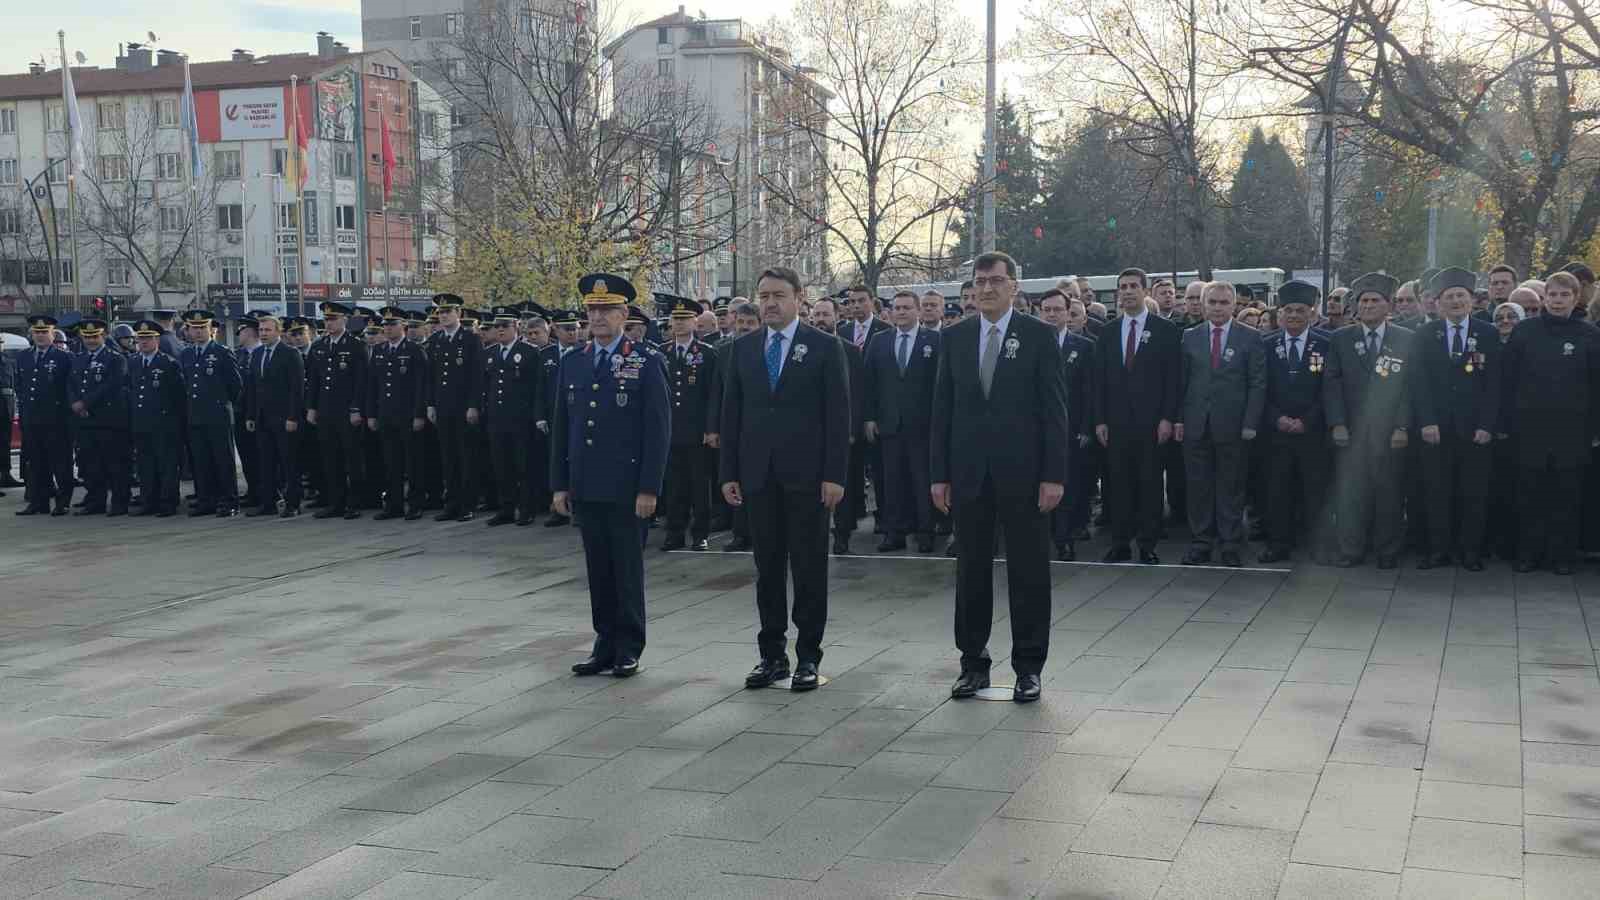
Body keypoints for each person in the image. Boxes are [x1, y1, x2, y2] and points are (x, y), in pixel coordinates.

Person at [931, 251, 1066, 703]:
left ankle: (1029, 666)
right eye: (980, 281)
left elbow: (1054, 413)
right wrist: (939, 475)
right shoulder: (955, 338)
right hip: (968, 474)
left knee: (1028, 572)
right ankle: (973, 663)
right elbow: (942, 411)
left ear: (1014, 287)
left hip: (1025, 475)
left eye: (996, 281)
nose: (986, 288)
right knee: (971, 570)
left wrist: (1053, 475)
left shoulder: (1038, 336)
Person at [720, 267, 850, 691]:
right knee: (767, 570)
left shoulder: (825, 347)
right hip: (759, 476)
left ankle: (808, 657)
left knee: (809, 569)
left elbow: (838, 417)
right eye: (763, 296)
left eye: (778, 295)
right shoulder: (742, 348)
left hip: (808, 478)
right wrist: (729, 473)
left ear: (799, 298)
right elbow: (732, 415)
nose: (769, 303)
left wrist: (835, 475)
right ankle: (771, 655)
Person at [553, 274, 670, 678]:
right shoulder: (574, 361)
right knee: (598, 569)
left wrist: (649, 488)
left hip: (626, 488)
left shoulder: (646, 360)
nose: (598, 317)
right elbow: (563, 427)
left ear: (624, 314)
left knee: (626, 568)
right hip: (586, 484)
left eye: (606, 310)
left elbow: (657, 432)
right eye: (592, 310)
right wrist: (560, 483)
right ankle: (603, 643)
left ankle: (629, 646)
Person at [1502, 271, 1599, 573]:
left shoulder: (1589, 335)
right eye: (1553, 295)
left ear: (1575, 298)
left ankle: (1561, 557)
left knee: (1566, 496)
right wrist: (1507, 423)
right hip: (1530, 429)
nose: (1558, 301)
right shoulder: (1525, 332)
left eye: (1564, 295)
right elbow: (1508, 380)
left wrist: (1595, 429)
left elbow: (1597, 385)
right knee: (1529, 493)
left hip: (1572, 431)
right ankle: (1528, 554)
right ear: (1544, 298)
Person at [1405, 266, 1501, 571]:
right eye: (1450, 296)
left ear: (1471, 300)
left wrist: (1487, 424)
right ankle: (1438, 550)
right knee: (1436, 491)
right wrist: (1426, 421)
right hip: (1436, 429)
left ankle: (1470, 551)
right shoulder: (1424, 334)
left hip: (1475, 430)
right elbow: (1417, 382)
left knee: (1473, 493)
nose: (1456, 301)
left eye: (1461, 295)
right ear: (1438, 302)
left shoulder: (1488, 334)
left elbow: (1495, 384)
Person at [1324, 273, 1414, 568]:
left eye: (1376, 301)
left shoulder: (1405, 339)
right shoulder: (1340, 339)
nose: (1369, 306)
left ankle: (1387, 551)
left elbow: (1409, 388)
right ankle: (1351, 549)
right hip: (1351, 430)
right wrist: (1336, 423)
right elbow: (1332, 383)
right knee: (1352, 493)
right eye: (1364, 301)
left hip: (1389, 431)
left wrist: (1402, 425)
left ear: (1389, 306)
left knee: (1389, 493)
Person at [1092, 268, 1181, 563]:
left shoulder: (1166, 331)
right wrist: (1100, 419)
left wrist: (1168, 417)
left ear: (1144, 291)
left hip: (1152, 423)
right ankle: (1120, 542)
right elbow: (1099, 380)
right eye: (1123, 287)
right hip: (1116, 423)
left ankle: (1147, 543)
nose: (1127, 291)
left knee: (1150, 484)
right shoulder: (1107, 332)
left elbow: (1173, 379)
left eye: (1133, 286)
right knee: (1117, 485)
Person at [1174, 282, 1265, 567]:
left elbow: (1257, 383)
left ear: (1234, 305)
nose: (1217, 307)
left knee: (1231, 486)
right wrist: (1179, 419)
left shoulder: (1250, 338)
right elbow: (1181, 382)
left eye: (1224, 302)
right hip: (1195, 423)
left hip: (1234, 425)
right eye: (1212, 302)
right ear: (1202, 304)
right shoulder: (1189, 337)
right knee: (1198, 486)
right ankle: (1201, 541)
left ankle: (1230, 543)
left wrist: (1251, 421)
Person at [1258, 281, 1332, 564]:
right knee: (1277, 491)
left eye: (1300, 310)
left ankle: (1318, 544)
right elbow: (1258, 388)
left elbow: (1331, 388)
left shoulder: (1326, 344)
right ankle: (1278, 544)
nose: (1293, 316)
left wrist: (1307, 420)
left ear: (1311, 313)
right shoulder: (1265, 344)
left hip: (1312, 432)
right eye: (1288, 310)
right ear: (1279, 312)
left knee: (1315, 491)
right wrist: (1277, 418)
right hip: (1276, 432)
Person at [864, 291, 940, 553]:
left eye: (907, 307)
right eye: (897, 308)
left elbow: (941, 385)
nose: (901, 312)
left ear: (918, 311)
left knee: (922, 480)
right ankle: (894, 532)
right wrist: (870, 417)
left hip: (923, 424)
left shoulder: (935, 340)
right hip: (889, 424)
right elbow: (869, 382)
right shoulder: (879, 341)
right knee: (891, 481)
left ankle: (925, 531)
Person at [657, 296, 720, 551]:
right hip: (670, 431)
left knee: (699, 486)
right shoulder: (662, 353)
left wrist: (711, 428)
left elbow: (713, 394)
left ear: (696, 322)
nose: (679, 324)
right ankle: (674, 532)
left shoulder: (707, 354)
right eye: (676, 320)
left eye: (684, 319)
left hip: (697, 432)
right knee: (674, 485)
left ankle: (700, 533)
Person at [1040, 289, 1095, 561]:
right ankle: (1043, 536)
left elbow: (1089, 392)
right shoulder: (1027, 343)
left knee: (1068, 484)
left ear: (1067, 312)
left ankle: (1065, 538)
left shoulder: (1083, 347)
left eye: (1057, 310)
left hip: (1071, 428)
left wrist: (1086, 427)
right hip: (1036, 430)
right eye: (1046, 309)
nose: (1051, 314)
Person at [480, 306, 544, 526]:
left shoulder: (529, 352)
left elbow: (538, 388)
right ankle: (506, 508)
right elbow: (486, 387)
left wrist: (537, 416)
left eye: (504, 325)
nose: (499, 330)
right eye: (496, 326)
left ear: (516, 326)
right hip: (497, 418)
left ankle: (527, 508)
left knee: (523, 466)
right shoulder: (490, 353)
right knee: (501, 465)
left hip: (521, 418)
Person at [304, 301, 368, 519]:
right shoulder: (319, 346)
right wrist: (311, 407)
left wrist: (357, 409)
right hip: (325, 410)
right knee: (330, 459)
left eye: (333, 319)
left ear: (345, 320)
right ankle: (336, 502)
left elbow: (361, 382)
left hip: (347, 410)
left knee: (352, 458)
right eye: (326, 319)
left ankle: (355, 501)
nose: (329, 323)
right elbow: (313, 380)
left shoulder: (356, 345)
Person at [177, 310, 242, 517]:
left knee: (223, 460)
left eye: (201, 328)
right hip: (195, 416)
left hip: (218, 415)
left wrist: (224, 405)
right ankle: (206, 500)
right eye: (194, 328)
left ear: (210, 329)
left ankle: (229, 501)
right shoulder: (186, 354)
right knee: (201, 461)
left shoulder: (222, 352)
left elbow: (235, 385)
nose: (197, 332)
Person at [366, 308, 430, 521]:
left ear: (402, 326)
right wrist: (372, 414)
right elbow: (373, 385)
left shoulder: (414, 349)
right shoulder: (380, 350)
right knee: (391, 462)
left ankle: (415, 504)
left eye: (392, 325)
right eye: (385, 325)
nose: (387, 328)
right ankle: (393, 504)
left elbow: (422, 385)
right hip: (386, 414)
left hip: (408, 414)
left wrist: (419, 414)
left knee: (413, 462)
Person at [425, 295, 484, 522]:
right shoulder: (437, 340)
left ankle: (467, 504)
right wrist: (430, 404)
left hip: (463, 407)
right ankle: (451, 503)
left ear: (459, 313)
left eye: (448, 311)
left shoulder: (470, 339)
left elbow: (476, 376)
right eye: (441, 312)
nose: (444, 316)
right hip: (443, 406)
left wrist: (473, 405)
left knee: (465, 457)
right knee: (448, 458)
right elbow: (431, 376)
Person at [67, 318, 129, 516]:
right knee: (91, 465)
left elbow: (111, 386)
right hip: (85, 421)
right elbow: (70, 384)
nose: (91, 341)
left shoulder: (115, 358)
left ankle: (119, 503)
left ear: (104, 336)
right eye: (87, 337)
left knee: (114, 464)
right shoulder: (78, 358)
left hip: (108, 420)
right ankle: (95, 502)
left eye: (95, 336)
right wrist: (75, 403)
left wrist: (85, 403)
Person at [245, 316, 306, 519]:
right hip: (263, 418)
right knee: (266, 462)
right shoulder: (257, 354)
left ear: (278, 332)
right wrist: (251, 415)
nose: (263, 334)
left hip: (284, 418)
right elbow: (253, 388)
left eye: (268, 330)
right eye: (261, 330)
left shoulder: (290, 353)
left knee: (289, 462)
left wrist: (293, 416)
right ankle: (268, 502)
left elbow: (296, 389)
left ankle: (293, 503)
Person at [15, 315, 74, 516]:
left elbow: (69, 390)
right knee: (36, 463)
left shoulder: (64, 358)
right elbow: (20, 387)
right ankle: (39, 501)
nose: (40, 336)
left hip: (56, 419)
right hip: (32, 419)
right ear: (31, 334)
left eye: (44, 332)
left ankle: (63, 501)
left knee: (60, 462)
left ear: (52, 333)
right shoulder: (23, 357)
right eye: (36, 332)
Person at [719, 300, 764, 552]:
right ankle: (739, 533)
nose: (744, 328)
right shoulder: (726, 351)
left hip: (759, 428)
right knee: (735, 480)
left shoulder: (766, 349)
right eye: (741, 323)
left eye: (750, 323)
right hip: (735, 428)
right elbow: (718, 393)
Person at [128, 320, 184, 517]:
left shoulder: (168, 363)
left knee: (166, 464)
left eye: (147, 338)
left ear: (157, 339)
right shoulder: (133, 362)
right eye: (140, 338)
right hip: (141, 423)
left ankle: (168, 502)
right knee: (145, 465)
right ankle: (148, 501)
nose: (143, 342)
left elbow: (178, 397)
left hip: (164, 423)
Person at [539, 308, 583, 527]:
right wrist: (539, 416)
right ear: (555, 330)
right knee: (554, 460)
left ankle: (578, 507)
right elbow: (538, 389)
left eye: (575, 329)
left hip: (577, 416)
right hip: (552, 416)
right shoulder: (546, 354)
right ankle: (557, 508)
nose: (572, 333)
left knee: (578, 461)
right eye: (567, 329)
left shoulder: (585, 353)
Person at [233, 318, 264, 509]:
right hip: (242, 413)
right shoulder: (238, 355)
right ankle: (253, 490)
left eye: (241, 331)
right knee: (247, 456)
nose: (239, 335)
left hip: (262, 413)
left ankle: (267, 491)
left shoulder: (263, 353)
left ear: (251, 332)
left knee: (264, 456)